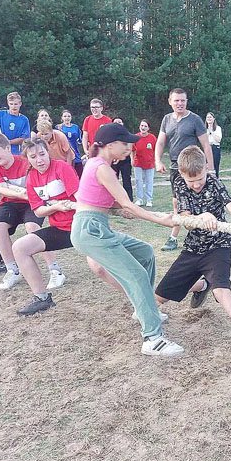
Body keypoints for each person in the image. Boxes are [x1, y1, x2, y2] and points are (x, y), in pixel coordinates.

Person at [154, 145, 231, 376]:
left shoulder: (215, 183)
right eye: (191, 181)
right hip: (193, 248)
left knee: (222, 291)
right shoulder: (180, 184)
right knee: (158, 298)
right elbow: (186, 219)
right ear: (181, 174)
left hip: (219, 245)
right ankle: (202, 286)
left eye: (199, 178)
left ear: (206, 169)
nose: (196, 184)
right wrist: (203, 217)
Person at [70, 123, 184, 356]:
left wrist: (116, 210)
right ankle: (153, 339)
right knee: (136, 275)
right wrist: (162, 220)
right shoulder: (102, 168)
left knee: (145, 252)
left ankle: (145, 308)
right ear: (109, 145)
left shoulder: (97, 165)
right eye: (124, 144)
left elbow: (94, 197)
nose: (129, 147)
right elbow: (129, 203)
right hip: (90, 229)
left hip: (95, 226)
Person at [0, 133, 66, 289]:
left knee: (32, 227)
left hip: (32, 202)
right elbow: (1, 188)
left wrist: (33, 196)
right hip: (11, 202)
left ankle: (55, 270)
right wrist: (23, 193)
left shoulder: (27, 161)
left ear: (8, 148)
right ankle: (12, 270)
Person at [13, 138, 78, 315]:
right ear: (28, 159)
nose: (39, 160)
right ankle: (42, 298)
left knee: (101, 267)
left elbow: (79, 197)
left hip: (80, 226)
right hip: (60, 230)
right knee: (19, 248)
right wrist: (56, 207)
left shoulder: (62, 167)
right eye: (33, 157)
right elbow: (39, 211)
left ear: (48, 152)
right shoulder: (32, 177)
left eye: (42, 154)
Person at [155, 88, 214, 251]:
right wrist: (157, 161)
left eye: (183, 100)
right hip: (176, 169)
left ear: (186, 102)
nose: (180, 103)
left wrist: (211, 169)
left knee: (199, 203)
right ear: (170, 101)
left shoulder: (194, 119)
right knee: (178, 204)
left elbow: (206, 145)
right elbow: (160, 142)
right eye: (176, 100)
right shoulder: (167, 119)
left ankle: (199, 236)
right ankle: (175, 238)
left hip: (193, 169)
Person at [133, 119, 157, 207]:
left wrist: (155, 160)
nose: (143, 128)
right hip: (138, 163)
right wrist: (132, 159)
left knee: (149, 181)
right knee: (138, 181)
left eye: (145, 126)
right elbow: (132, 150)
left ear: (148, 128)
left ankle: (149, 200)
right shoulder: (135, 137)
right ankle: (139, 199)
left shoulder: (152, 138)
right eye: (142, 125)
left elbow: (156, 150)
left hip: (149, 164)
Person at [110, 117, 133, 201]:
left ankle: (129, 200)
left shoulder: (127, 134)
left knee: (126, 180)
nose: (117, 123)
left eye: (119, 122)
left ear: (122, 124)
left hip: (125, 161)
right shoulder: (110, 136)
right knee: (113, 180)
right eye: (115, 122)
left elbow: (129, 149)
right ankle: (113, 199)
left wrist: (119, 157)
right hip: (113, 160)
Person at [57, 110, 84, 177]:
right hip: (64, 154)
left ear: (71, 117)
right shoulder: (59, 127)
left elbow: (80, 140)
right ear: (62, 118)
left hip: (75, 153)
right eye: (65, 116)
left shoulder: (75, 127)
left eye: (69, 116)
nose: (67, 118)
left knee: (79, 174)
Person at [205, 112, 223, 177]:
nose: (209, 119)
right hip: (206, 148)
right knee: (206, 165)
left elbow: (218, 140)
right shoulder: (203, 129)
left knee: (215, 165)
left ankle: (216, 179)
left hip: (215, 148)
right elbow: (203, 140)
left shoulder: (218, 128)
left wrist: (211, 132)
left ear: (214, 119)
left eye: (210, 117)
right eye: (208, 117)